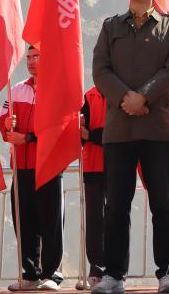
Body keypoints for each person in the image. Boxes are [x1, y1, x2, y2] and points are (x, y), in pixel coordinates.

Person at [92, 0, 169, 294]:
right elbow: (100, 70)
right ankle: (114, 275)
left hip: (158, 127)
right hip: (120, 128)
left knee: (163, 203)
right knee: (116, 204)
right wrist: (125, 98)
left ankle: (168, 272)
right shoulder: (111, 26)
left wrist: (142, 97)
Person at [0, 46, 64, 291]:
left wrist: (27, 138)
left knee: (50, 222)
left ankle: (51, 274)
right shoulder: (16, 89)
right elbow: (3, 120)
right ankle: (30, 274)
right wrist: (6, 125)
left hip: (48, 165)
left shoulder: (57, 91)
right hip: (21, 166)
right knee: (23, 221)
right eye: (28, 57)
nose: (31, 61)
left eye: (37, 56)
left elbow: (59, 127)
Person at [80, 84, 108, 287]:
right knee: (94, 220)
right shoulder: (88, 96)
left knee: (117, 217)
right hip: (92, 165)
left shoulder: (122, 92)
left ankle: (117, 269)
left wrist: (91, 135)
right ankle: (96, 267)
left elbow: (117, 133)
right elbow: (80, 134)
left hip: (118, 165)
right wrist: (84, 132)